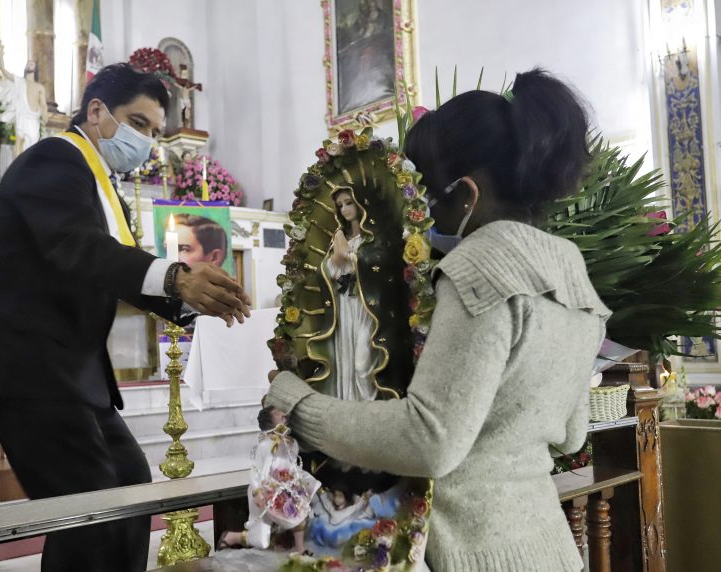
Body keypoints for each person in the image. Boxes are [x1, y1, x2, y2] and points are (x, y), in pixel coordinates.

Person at [266, 68, 611, 571]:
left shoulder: (480, 263)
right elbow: (572, 432)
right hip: (548, 547)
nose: (421, 220)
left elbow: (429, 440)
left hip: (475, 553)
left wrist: (298, 404)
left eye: (425, 198)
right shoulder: (570, 266)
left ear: (465, 194)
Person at [0, 63, 250, 572]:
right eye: (138, 123)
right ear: (96, 111)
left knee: (129, 492)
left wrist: (201, 308)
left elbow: (122, 266)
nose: (146, 141)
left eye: (154, 132)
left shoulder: (98, 179)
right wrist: (179, 278)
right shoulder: (56, 160)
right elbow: (80, 248)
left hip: (69, 373)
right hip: (26, 368)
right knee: (89, 515)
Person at [219, 406, 320, 554]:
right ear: (270, 421)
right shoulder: (265, 446)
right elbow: (255, 470)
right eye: (278, 413)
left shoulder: (291, 443)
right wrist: (257, 492)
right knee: (261, 541)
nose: (283, 414)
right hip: (267, 492)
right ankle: (234, 537)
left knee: (298, 515)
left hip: (286, 487)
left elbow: (292, 465)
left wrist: (303, 481)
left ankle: (300, 549)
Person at [324, 188, 377, 401]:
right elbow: (330, 271)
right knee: (345, 362)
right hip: (345, 305)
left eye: (349, 203)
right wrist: (337, 259)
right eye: (340, 205)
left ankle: (369, 412)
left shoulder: (371, 238)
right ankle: (349, 408)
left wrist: (351, 258)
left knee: (361, 364)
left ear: (360, 203)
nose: (345, 209)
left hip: (366, 308)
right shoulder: (340, 239)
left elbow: (378, 265)